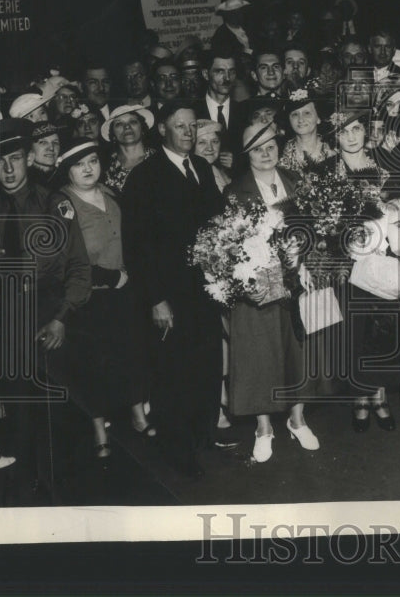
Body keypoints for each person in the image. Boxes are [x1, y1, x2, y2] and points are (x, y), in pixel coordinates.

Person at [0, 119, 91, 500]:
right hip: (5, 326)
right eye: (0, 160)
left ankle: (64, 493)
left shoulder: (54, 204)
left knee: (60, 416)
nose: (8, 168)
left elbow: (79, 267)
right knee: (19, 417)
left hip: (50, 319)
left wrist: (61, 318)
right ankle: (28, 495)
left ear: (28, 159)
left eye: (15, 158)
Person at [121, 101, 227, 479]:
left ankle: (201, 438)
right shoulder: (144, 176)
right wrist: (156, 299)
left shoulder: (200, 167)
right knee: (173, 375)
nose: (187, 132)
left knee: (205, 368)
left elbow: (217, 224)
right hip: (170, 295)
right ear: (163, 130)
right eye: (179, 126)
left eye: (191, 126)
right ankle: (176, 451)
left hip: (205, 291)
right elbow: (136, 246)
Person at [223, 122, 322, 464]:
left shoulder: (296, 181)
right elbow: (232, 246)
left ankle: (297, 420)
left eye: (270, 146)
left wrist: (304, 262)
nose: (265, 153)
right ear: (246, 155)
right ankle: (263, 427)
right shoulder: (236, 191)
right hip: (259, 286)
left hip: (297, 282)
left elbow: (314, 229)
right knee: (260, 354)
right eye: (256, 148)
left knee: (298, 350)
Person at [51, 139, 154, 460]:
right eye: (79, 164)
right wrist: (107, 277)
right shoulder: (61, 203)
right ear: (67, 170)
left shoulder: (112, 194)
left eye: (93, 161)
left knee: (131, 352)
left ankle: (138, 415)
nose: (87, 169)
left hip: (123, 293)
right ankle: (99, 428)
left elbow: (135, 240)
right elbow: (64, 261)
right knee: (92, 363)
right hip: (88, 297)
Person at [323, 109, 400, 433]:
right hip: (345, 263)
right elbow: (321, 219)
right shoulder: (327, 171)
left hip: (379, 259)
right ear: (335, 138)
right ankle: (359, 397)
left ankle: (379, 395)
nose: (352, 136)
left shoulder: (380, 167)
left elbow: (396, 207)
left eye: (356, 129)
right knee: (353, 331)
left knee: (380, 330)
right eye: (344, 131)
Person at [195, 50, 249, 172]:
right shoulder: (193, 111)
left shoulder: (245, 112)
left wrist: (237, 163)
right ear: (205, 74)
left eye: (231, 71)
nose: (227, 78)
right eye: (220, 71)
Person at [101, 104, 156, 194]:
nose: (127, 127)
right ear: (113, 135)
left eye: (133, 122)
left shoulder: (158, 159)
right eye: (119, 124)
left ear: (142, 129)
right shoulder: (106, 166)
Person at [278, 90, 334, 174]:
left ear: (318, 118)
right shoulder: (279, 153)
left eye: (307, 113)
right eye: (295, 114)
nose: (300, 119)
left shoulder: (333, 150)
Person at [193, 120, 232, 193]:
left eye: (215, 142)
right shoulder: (191, 177)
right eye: (202, 142)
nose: (210, 148)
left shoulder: (221, 172)